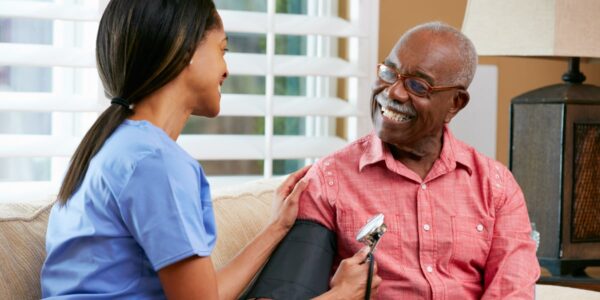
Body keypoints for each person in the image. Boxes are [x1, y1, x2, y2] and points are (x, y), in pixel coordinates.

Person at [40, 1, 380, 299]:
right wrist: (342, 295)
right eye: (222, 49)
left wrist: (276, 227)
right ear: (184, 48)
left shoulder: (114, 147)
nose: (226, 70)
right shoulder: (156, 164)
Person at [297, 22, 540, 299]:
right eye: (389, 73)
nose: (393, 93)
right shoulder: (329, 180)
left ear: (455, 103)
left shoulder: (496, 187)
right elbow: (295, 288)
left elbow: (513, 291)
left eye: (417, 85)